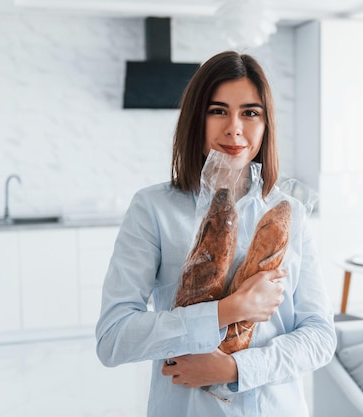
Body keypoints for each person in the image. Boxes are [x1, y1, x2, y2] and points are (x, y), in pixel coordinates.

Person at [95, 50, 336, 417]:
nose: (234, 128)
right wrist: (227, 311)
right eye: (218, 110)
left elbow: (320, 336)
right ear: (196, 118)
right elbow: (113, 339)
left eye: (250, 113)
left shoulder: (290, 213)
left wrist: (236, 370)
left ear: (266, 123)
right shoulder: (153, 209)